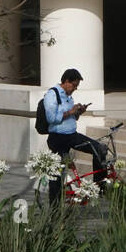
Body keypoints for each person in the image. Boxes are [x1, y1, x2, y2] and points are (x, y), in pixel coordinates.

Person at [42, 68, 107, 206]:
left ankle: (99, 188)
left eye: (77, 86)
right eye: (74, 85)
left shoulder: (68, 96)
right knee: (57, 173)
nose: (74, 89)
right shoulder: (52, 94)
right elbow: (51, 118)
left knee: (99, 148)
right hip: (57, 138)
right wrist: (70, 111)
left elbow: (72, 117)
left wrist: (78, 112)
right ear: (66, 82)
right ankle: (54, 207)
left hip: (72, 135)